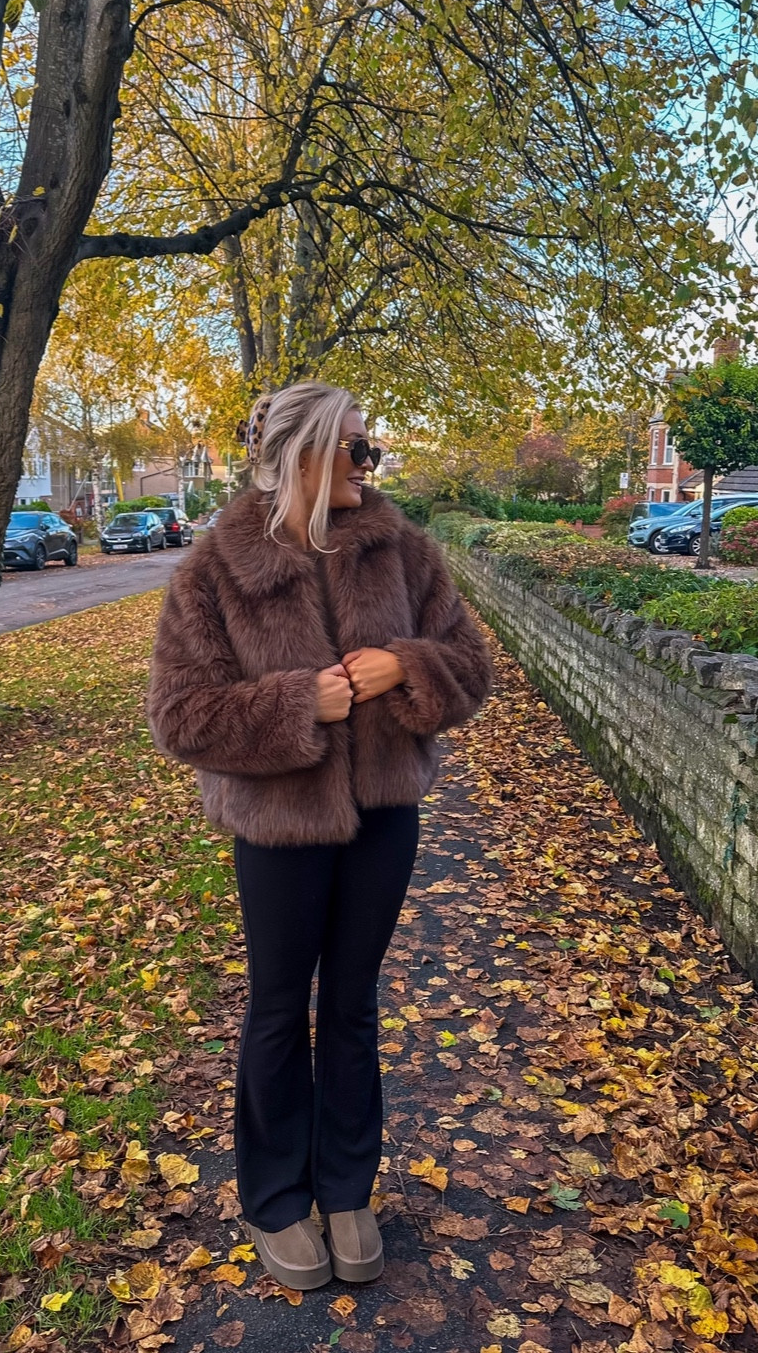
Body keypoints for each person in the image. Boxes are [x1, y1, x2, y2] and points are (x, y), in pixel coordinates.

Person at [147, 382, 492, 1289]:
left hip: (385, 819)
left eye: (369, 448)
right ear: (304, 456)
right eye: (357, 448)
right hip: (278, 829)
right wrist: (303, 702)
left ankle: (346, 1187)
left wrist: (405, 665)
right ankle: (274, 1198)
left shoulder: (405, 552)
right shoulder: (216, 571)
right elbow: (180, 717)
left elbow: (472, 668)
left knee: (350, 1001)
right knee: (275, 1007)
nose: (370, 465)